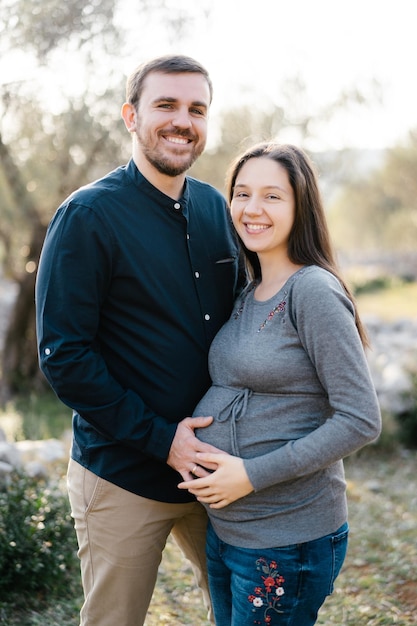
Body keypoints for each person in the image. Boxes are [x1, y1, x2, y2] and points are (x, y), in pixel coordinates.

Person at [35, 54, 242, 626]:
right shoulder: (87, 215)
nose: (183, 121)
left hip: (216, 474)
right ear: (131, 116)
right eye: (166, 106)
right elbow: (64, 357)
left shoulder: (216, 209)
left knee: (243, 614)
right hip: (123, 474)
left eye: (197, 109)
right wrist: (162, 440)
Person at [179, 142, 382, 626]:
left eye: (272, 196)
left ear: (300, 206)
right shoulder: (251, 290)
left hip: (286, 537)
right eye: (242, 193)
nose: (253, 209)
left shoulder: (311, 290)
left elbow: (360, 419)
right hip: (230, 529)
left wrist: (250, 475)